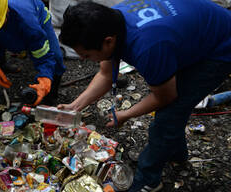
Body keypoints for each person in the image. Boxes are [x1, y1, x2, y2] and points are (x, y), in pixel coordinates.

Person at [58, 0, 231, 191]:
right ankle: (174, 152)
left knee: (168, 116)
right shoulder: (109, 20)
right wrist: (74, 107)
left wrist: (126, 114)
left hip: (221, 46)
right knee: (173, 108)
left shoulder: (148, 47)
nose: (83, 60)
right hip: (192, 31)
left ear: (108, 41)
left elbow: (166, 97)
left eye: (86, 55)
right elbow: (106, 75)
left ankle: (148, 179)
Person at [0, 0, 66, 128]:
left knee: (55, 58)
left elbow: (44, 56)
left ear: (6, 10)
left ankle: (48, 101)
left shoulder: (28, 22)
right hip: (4, 24)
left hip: (33, 20)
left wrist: (45, 79)